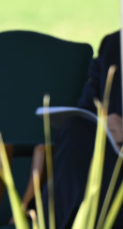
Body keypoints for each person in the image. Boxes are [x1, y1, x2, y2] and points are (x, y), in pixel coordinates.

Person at [46, 30, 123, 229]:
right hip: (105, 161)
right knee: (75, 128)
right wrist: (104, 123)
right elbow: (88, 106)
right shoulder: (114, 44)